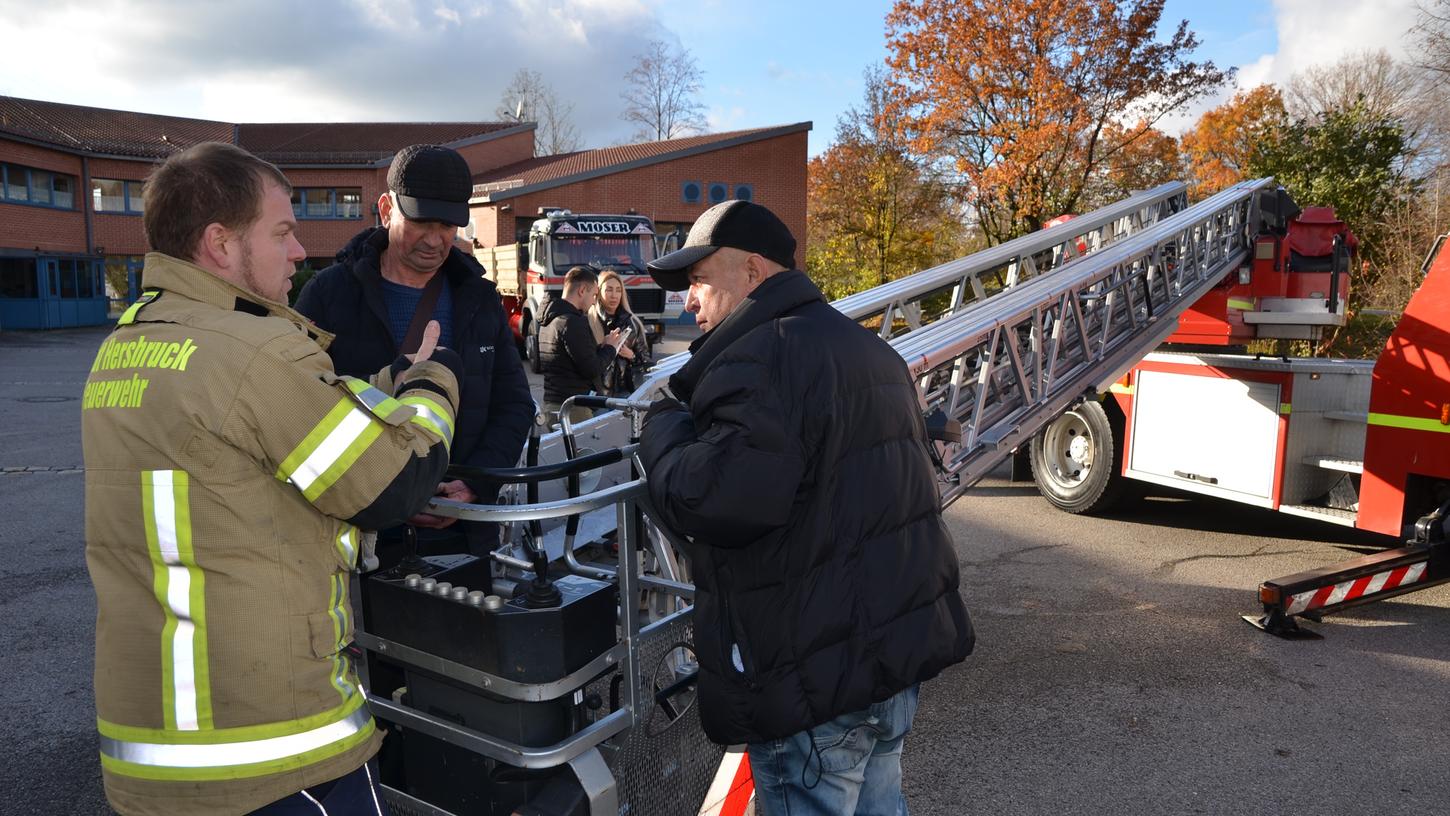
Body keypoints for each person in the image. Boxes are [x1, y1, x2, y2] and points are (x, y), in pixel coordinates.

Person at [82, 141, 464, 815]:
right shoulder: (252, 351)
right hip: (275, 754)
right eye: (283, 232)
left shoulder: (126, 347)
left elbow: (262, 434)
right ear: (220, 244)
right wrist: (432, 386)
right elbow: (393, 483)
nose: (298, 253)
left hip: (151, 749)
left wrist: (376, 390)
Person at [637, 200, 974, 816]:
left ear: (754, 273)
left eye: (700, 280)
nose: (690, 301)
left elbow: (710, 498)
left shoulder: (759, 359)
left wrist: (662, 429)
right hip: (886, 659)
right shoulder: (868, 350)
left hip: (811, 679)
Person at [296, 144, 533, 558]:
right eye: (422, 221)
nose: (435, 239)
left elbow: (514, 405)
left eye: (448, 225)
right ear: (387, 209)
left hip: (463, 535)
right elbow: (299, 407)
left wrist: (475, 485)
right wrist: (386, 491)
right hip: (359, 538)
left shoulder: (478, 298)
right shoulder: (330, 294)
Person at [537, 265, 633, 425]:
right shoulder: (572, 322)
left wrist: (601, 347)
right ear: (582, 290)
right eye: (594, 294)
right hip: (574, 409)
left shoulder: (549, 321)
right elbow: (592, 369)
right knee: (584, 450)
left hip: (552, 404)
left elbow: (563, 362)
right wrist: (611, 348)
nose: (595, 300)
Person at [587, 269, 652, 396]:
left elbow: (646, 362)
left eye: (618, 290)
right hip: (596, 394)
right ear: (599, 292)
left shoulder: (633, 323)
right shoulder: (588, 321)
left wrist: (631, 355)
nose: (614, 295)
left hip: (626, 392)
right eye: (609, 290)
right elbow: (585, 362)